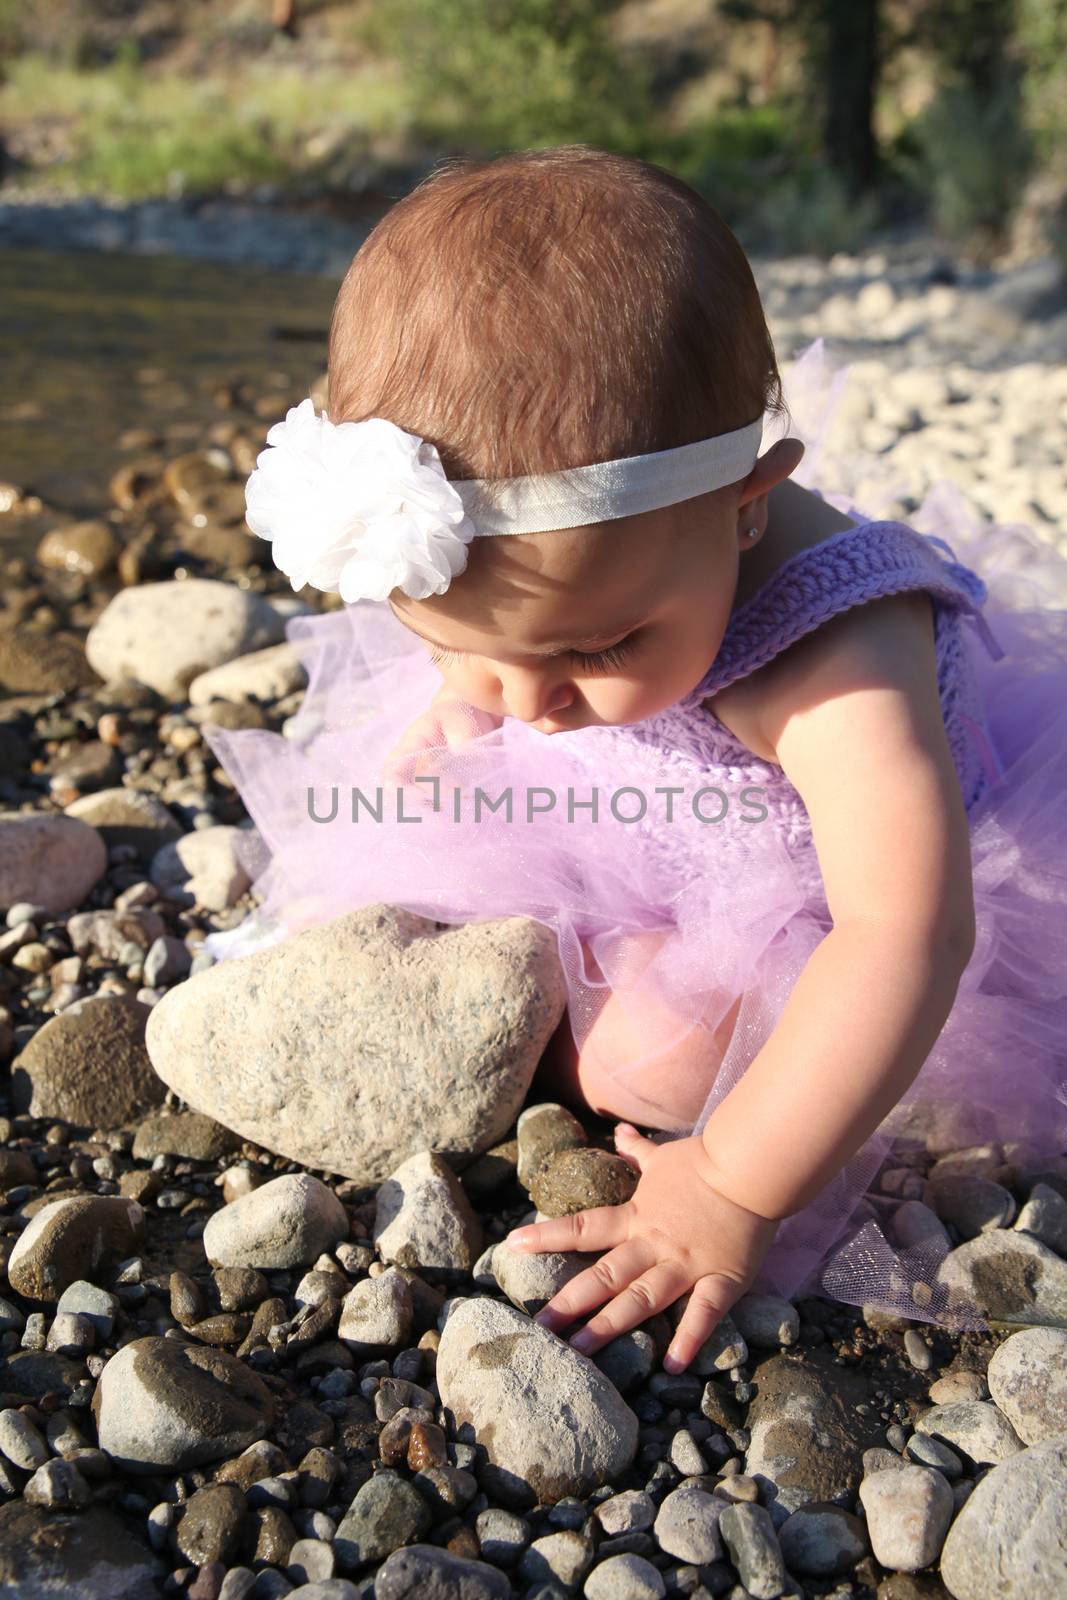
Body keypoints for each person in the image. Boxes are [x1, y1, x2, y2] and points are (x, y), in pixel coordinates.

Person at [205, 144, 1067, 1374]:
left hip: (832, 883)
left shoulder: (837, 661)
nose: (535, 703)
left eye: (595, 645)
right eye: (467, 643)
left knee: (639, 1061)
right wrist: (462, 698)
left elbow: (906, 933)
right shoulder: (568, 613)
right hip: (648, 810)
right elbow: (518, 653)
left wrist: (726, 1183)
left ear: (746, 504)